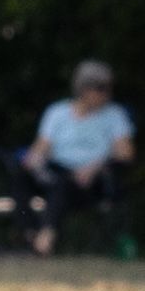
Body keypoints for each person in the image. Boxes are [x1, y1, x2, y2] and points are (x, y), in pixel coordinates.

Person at [10, 59, 134, 255]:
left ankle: (45, 240)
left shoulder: (114, 115)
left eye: (109, 87)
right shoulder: (57, 112)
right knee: (21, 175)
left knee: (63, 183)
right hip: (56, 172)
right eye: (101, 88)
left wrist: (96, 167)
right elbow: (40, 148)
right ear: (84, 88)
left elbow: (126, 154)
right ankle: (31, 234)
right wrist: (32, 161)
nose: (108, 93)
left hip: (92, 181)